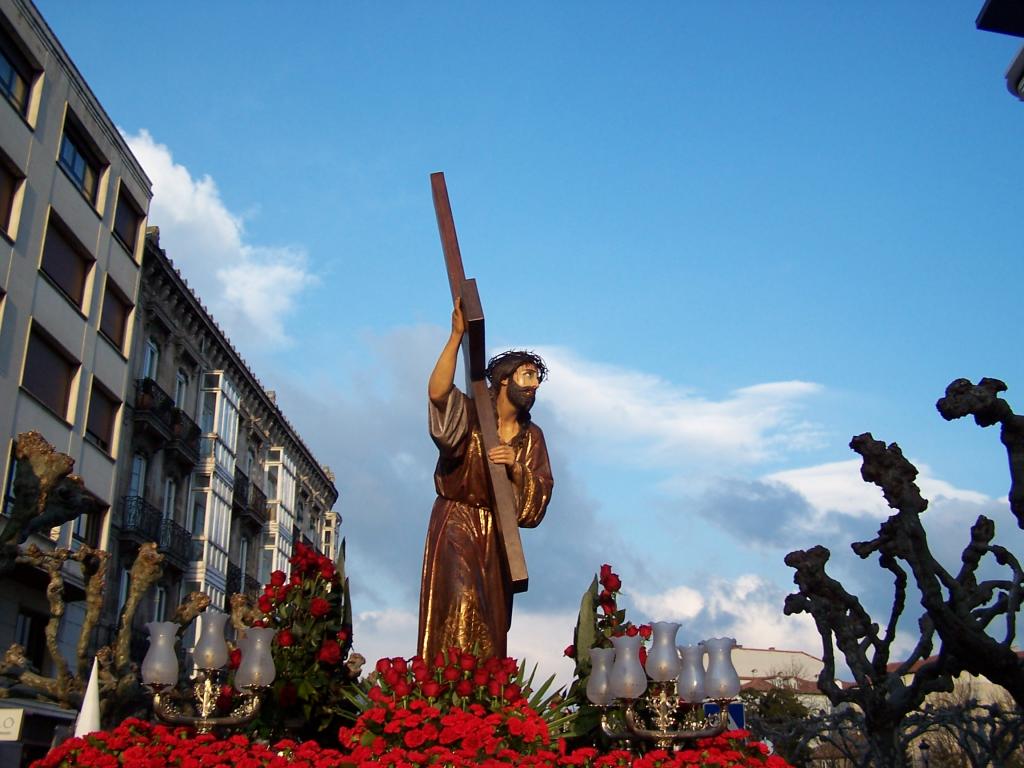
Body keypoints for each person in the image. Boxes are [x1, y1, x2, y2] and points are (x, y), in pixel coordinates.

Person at [418, 298, 554, 661]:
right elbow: (438, 394)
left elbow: (539, 493)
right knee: (461, 601)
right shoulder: (474, 412)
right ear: (505, 380)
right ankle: (451, 691)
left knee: (492, 619)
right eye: (528, 376)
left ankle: (485, 699)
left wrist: (516, 468)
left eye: (537, 379)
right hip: (458, 519)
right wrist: (455, 335)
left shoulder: (532, 436)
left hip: (498, 534)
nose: (534, 385)